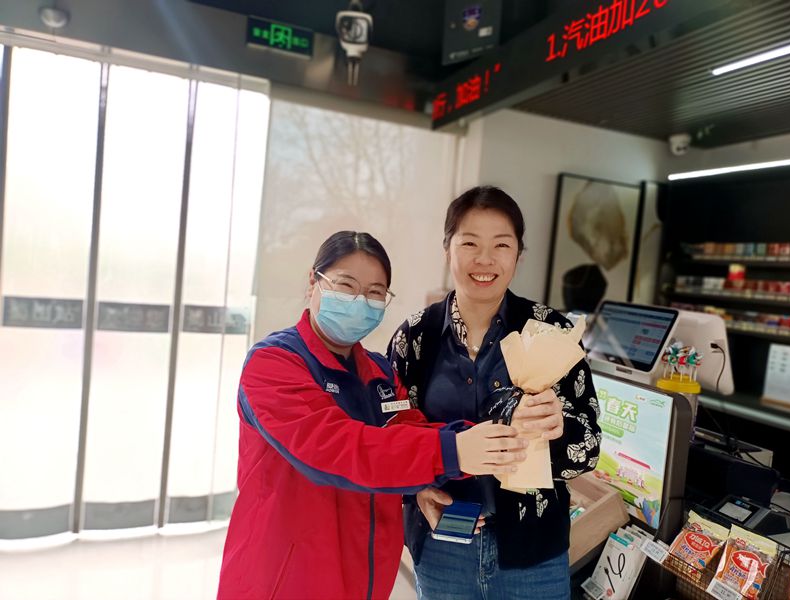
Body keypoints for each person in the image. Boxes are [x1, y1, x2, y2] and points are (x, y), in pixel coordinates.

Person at [217, 231, 532, 600]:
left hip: (365, 581)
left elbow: (408, 433)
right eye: (346, 285)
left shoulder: (380, 374)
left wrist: (490, 436)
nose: (359, 301)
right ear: (313, 282)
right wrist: (455, 451)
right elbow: (335, 448)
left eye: (374, 292)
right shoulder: (274, 364)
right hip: (282, 581)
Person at [388, 187, 602, 600]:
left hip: (533, 553)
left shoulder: (551, 331)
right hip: (442, 545)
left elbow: (589, 447)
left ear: (518, 254)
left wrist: (558, 428)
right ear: (447, 249)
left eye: (501, 245)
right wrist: (415, 489)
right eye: (470, 243)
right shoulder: (415, 337)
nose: (485, 260)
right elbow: (389, 433)